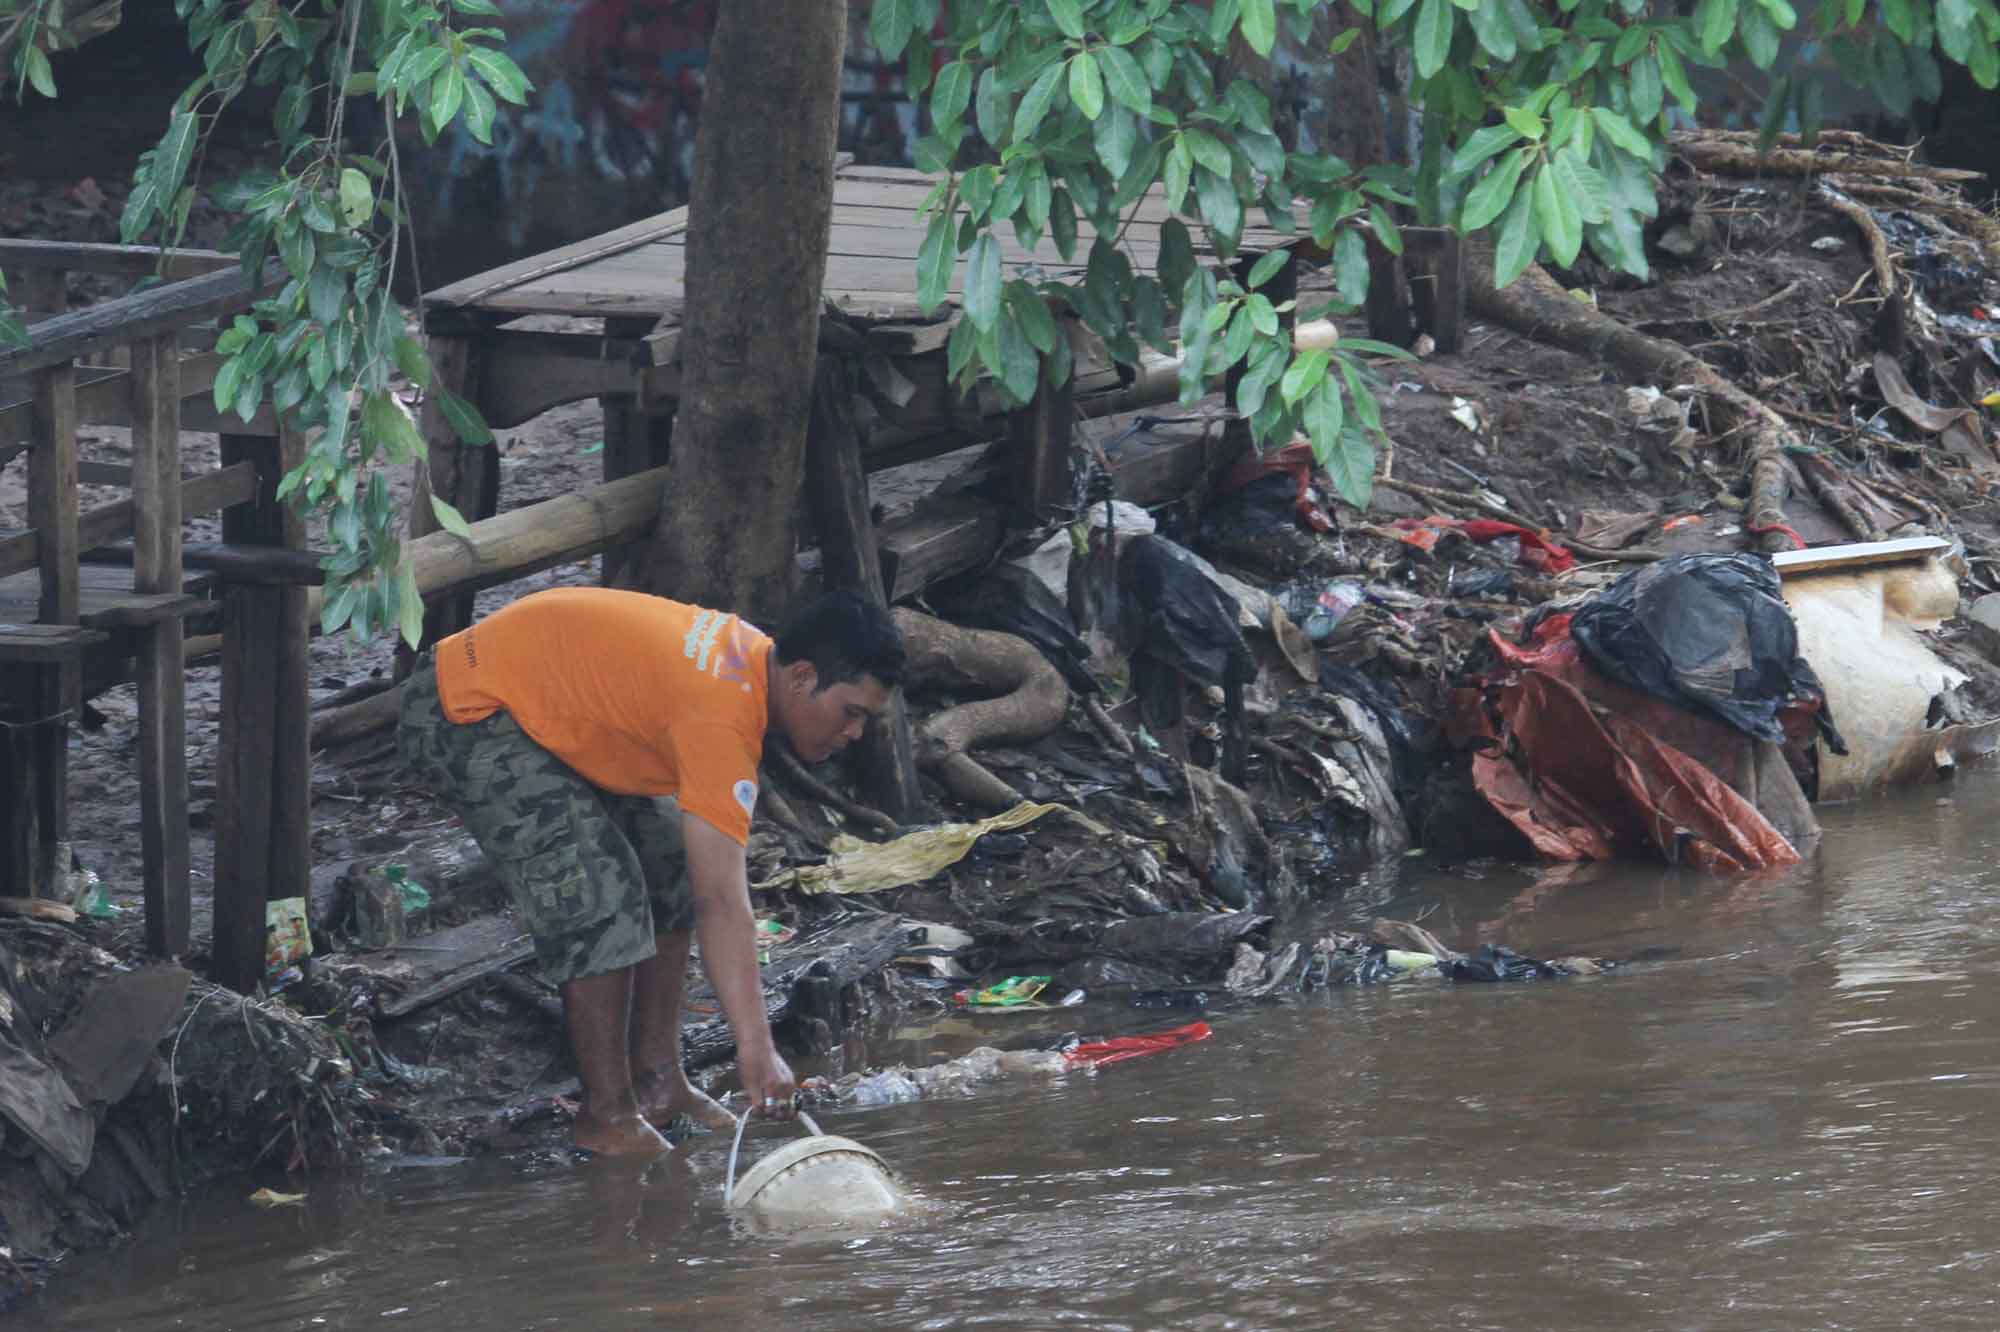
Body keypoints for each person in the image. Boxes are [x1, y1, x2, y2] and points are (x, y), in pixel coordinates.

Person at [398, 585, 904, 1155]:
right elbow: (723, 901)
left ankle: (659, 1079)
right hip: (467, 706)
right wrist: (756, 1048)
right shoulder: (722, 716)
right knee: (598, 892)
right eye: (851, 713)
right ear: (802, 678)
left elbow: (702, 883)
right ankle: (606, 1115)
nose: (856, 734)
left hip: (545, 701)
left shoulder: (750, 668)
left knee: (671, 860)